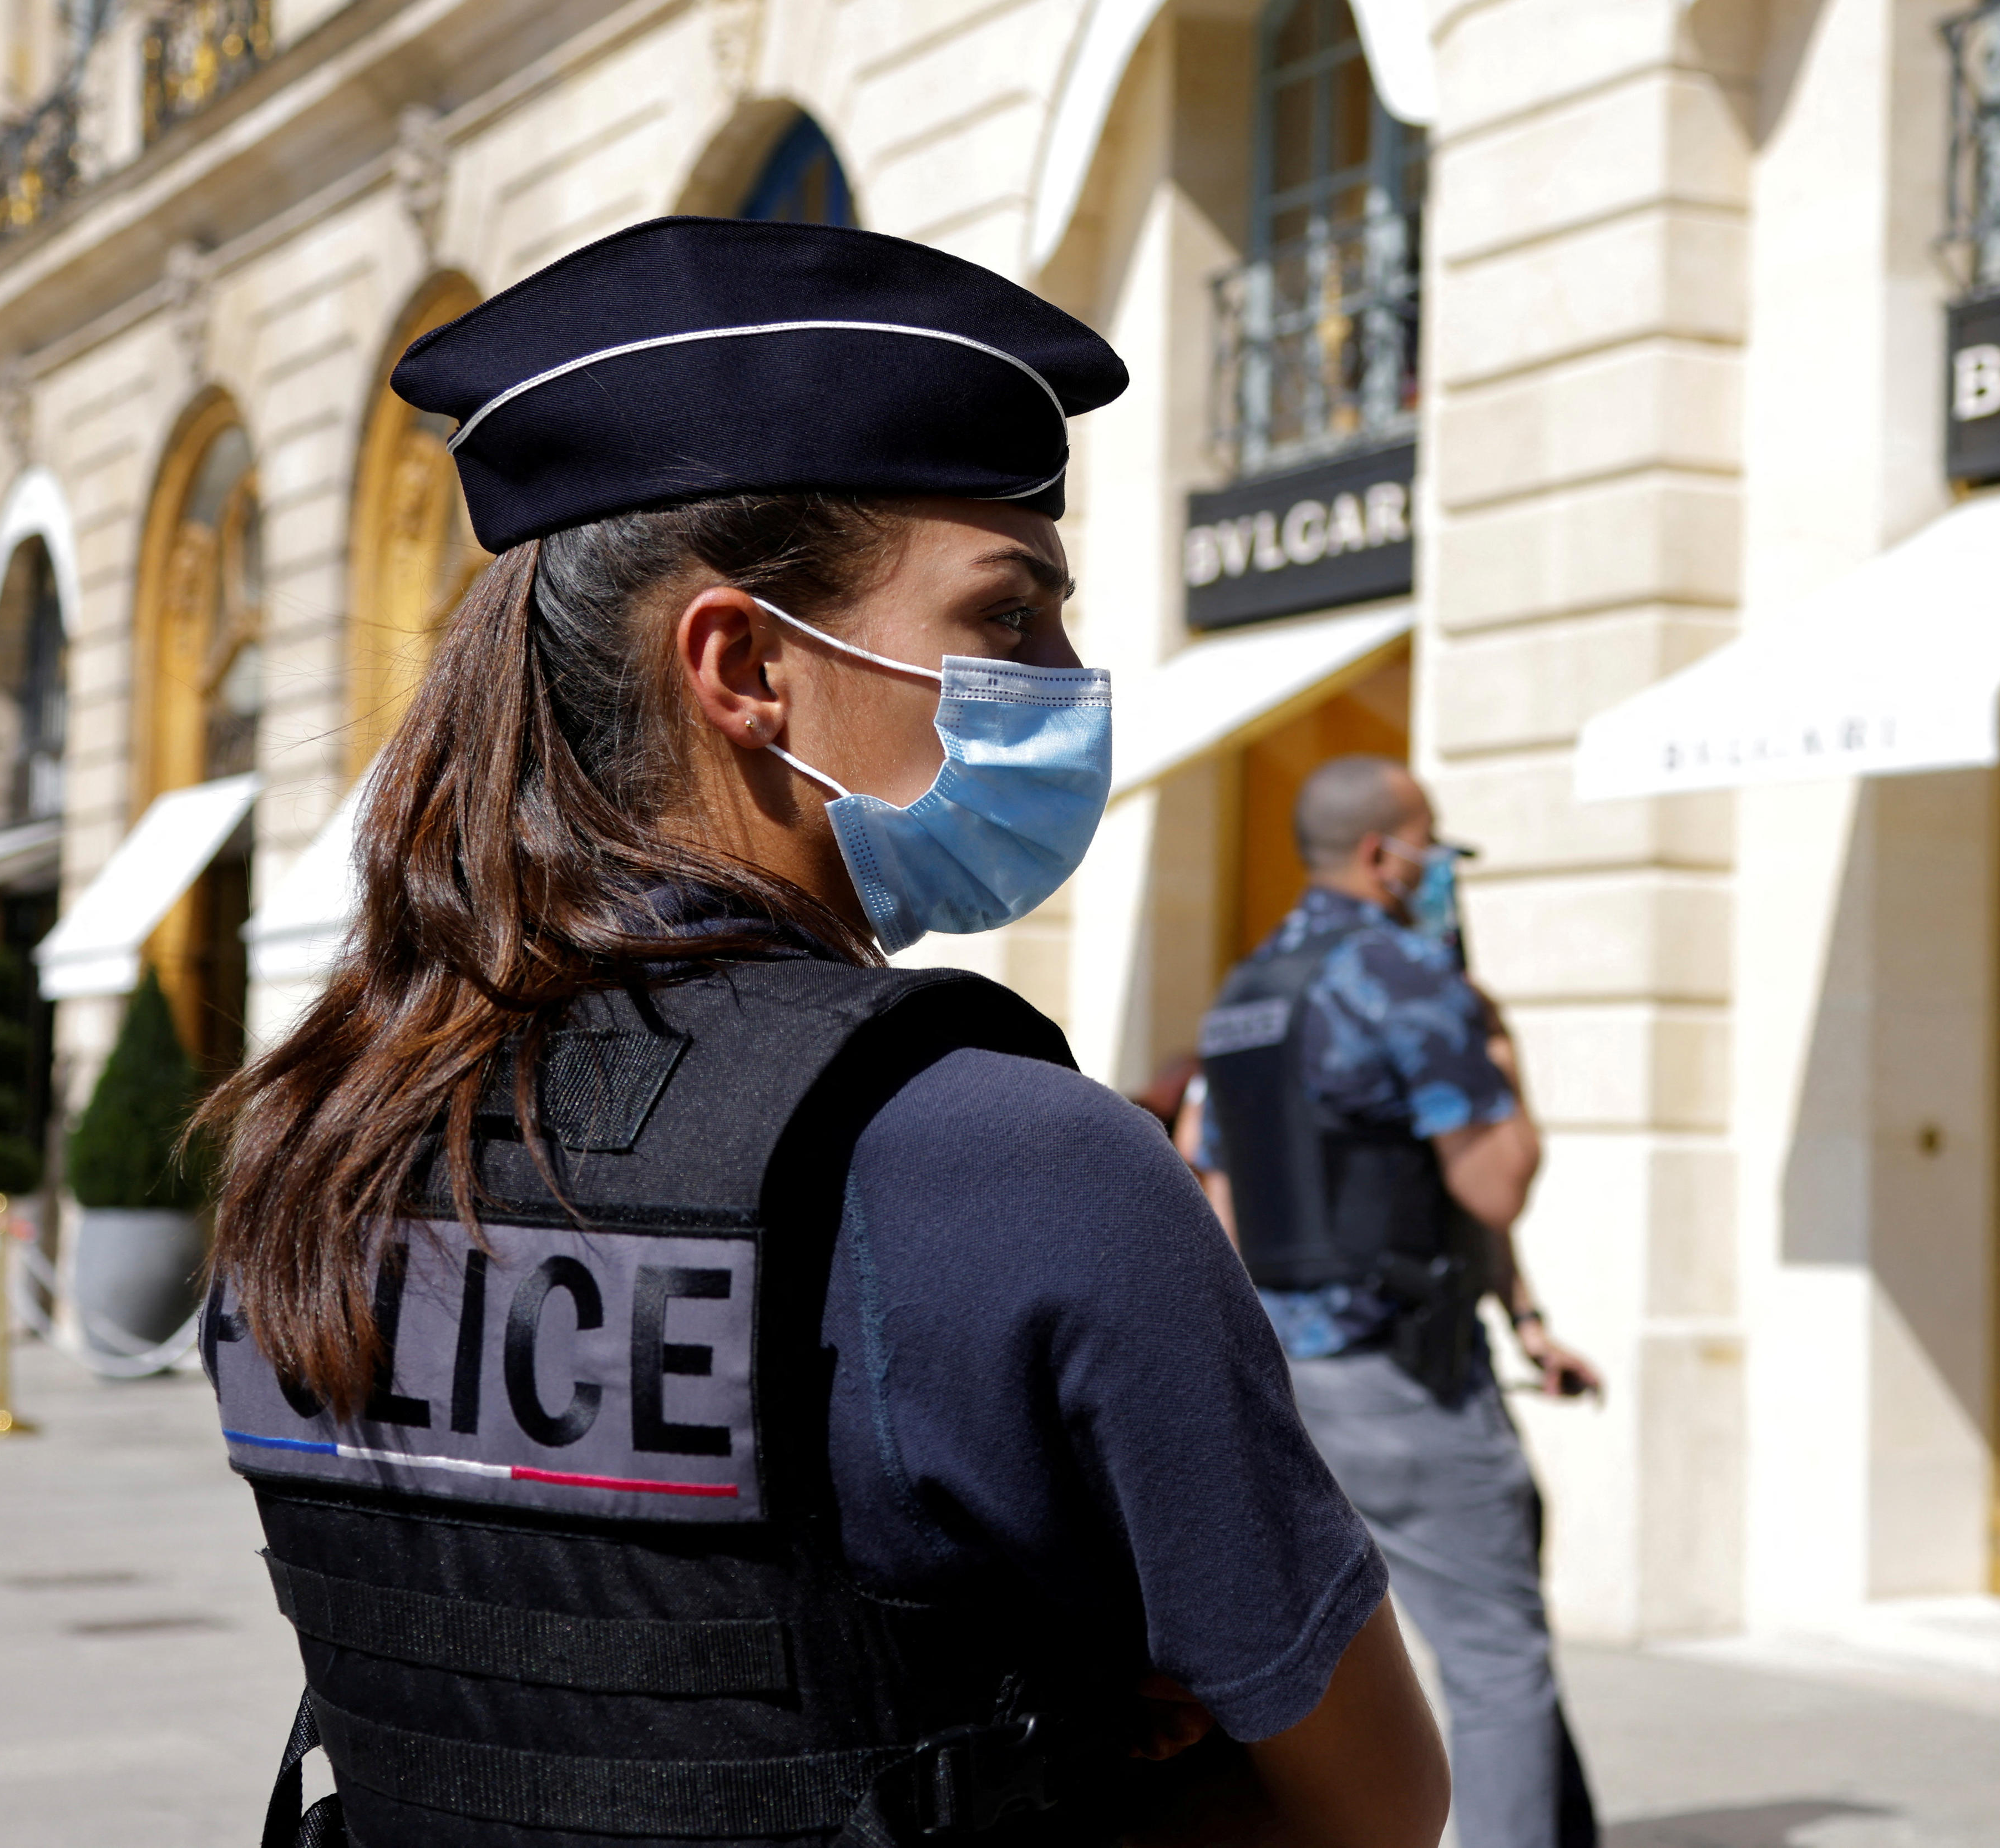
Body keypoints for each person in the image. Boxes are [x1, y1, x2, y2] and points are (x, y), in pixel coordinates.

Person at [194, 217, 1447, 1848]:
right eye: (1010, 618)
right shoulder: (1012, 1159)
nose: (1070, 681)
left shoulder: (319, 1133)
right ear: (745, 666)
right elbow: (1372, 1802)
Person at [1193, 755, 1602, 1848]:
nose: (1441, 867)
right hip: (1402, 1372)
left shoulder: (1245, 993)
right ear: (1384, 853)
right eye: (1431, 842)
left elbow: (1215, 1191)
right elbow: (1493, 1180)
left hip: (1291, 1372)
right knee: (1496, 1662)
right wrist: (1504, 1066)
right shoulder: (1411, 979)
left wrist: (1520, 1316)